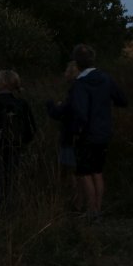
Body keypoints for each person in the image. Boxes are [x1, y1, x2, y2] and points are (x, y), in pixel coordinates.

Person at [67, 44, 127, 220]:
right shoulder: (106, 78)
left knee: (84, 172)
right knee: (97, 171)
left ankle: (91, 212)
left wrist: (76, 130)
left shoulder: (80, 84)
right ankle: (97, 209)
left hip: (86, 134)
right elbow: (122, 100)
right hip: (104, 133)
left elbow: (80, 112)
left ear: (76, 62)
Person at [0, 69, 36, 211]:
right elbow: (31, 128)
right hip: (15, 147)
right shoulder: (21, 104)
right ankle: (10, 210)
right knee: (12, 180)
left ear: (4, 83)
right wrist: (22, 142)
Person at [46, 60, 83, 211]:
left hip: (70, 136)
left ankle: (76, 203)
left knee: (71, 170)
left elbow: (62, 113)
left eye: (67, 71)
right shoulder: (81, 91)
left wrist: (51, 105)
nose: (64, 74)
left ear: (72, 74)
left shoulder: (74, 91)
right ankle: (78, 202)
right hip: (78, 135)